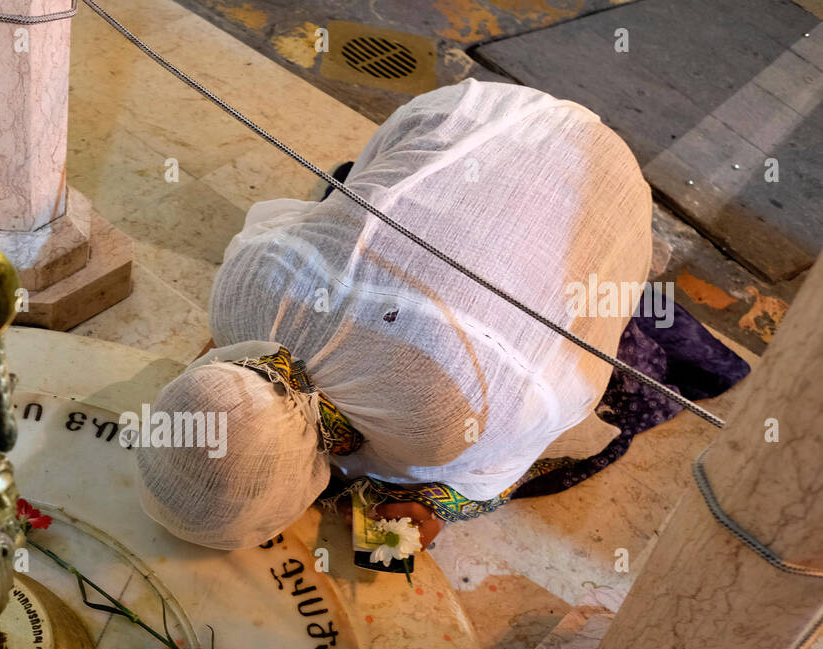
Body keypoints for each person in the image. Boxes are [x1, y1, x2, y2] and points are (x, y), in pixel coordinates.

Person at [133, 79, 749, 552]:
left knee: (445, 489)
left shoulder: (453, 429)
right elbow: (249, 319)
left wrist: (426, 510)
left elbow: (505, 453)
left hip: (595, 188)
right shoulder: (240, 294)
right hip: (468, 115)